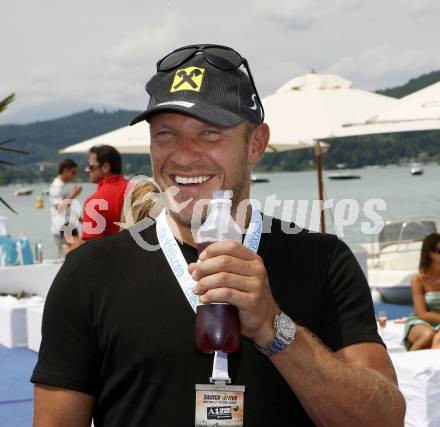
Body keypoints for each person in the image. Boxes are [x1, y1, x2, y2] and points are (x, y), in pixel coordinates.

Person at [32, 45, 405, 426]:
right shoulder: (90, 272)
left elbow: (385, 418)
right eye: (165, 134)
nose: (182, 155)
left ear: (256, 144)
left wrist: (275, 328)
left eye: (209, 133)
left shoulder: (323, 260)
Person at [403, 233, 440, 350]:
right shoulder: (418, 279)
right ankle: (404, 365)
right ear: (431, 254)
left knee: (438, 340)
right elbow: (422, 313)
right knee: (427, 335)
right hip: (421, 320)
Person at [48, 158, 82, 257]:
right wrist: (74, 194)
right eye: (73, 172)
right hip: (62, 226)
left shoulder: (62, 185)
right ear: (65, 170)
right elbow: (59, 207)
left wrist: (80, 219)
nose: (74, 175)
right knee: (75, 251)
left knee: (71, 253)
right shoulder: (57, 186)